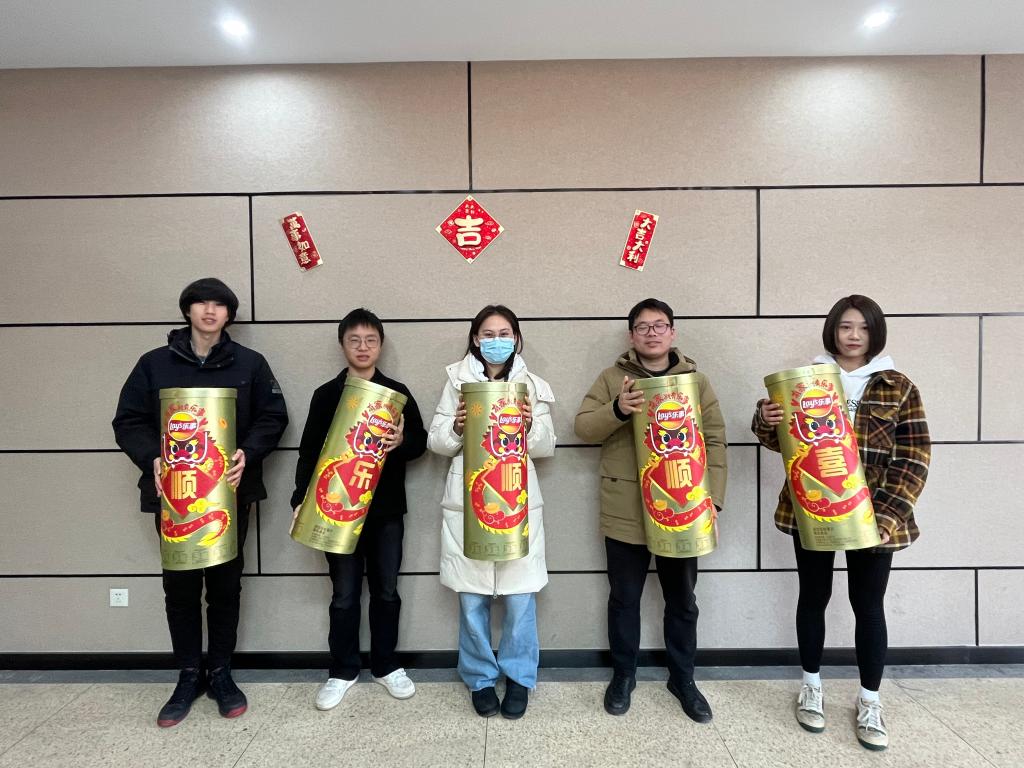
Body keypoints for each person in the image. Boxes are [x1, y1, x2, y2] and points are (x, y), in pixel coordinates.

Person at [752, 294, 931, 751]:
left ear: (876, 333)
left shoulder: (897, 386)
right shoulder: (806, 380)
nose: (853, 336)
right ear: (832, 330)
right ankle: (811, 686)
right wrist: (766, 420)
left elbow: (914, 456)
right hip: (811, 508)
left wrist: (888, 515)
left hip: (875, 515)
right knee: (813, 597)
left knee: (868, 606)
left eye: (863, 328)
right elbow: (779, 441)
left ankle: (869, 700)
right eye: (846, 326)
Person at [112, 277, 288, 727]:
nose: (210, 311)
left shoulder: (250, 363)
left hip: (228, 494)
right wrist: (151, 456)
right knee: (181, 587)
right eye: (201, 303)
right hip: (174, 498)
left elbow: (273, 417)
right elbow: (128, 420)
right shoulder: (154, 364)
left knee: (226, 585)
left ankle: (221, 672)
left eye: (219, 305)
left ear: (229, 315)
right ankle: (188, 674)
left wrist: (249, 452)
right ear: (187, 310)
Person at [574, 297, 727, 723]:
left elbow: (715, 439)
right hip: (626, 509)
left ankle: (683, 678)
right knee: (624, 599)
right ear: (631, 336)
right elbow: (583, 427)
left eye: (660, 325)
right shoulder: (613, 379)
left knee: (683, 600)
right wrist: (617, 410)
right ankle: (624, 675)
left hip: (684, 508)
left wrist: (712, 499)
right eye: (643, 327)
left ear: (673, 332)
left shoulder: (695, 382)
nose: (652, 333)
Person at [291, 308, 427, 710]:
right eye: (354, 340)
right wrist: (300, 499)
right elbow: (308, 451)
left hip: (385, 511)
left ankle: (387, 666)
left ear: (380, 346)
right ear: (343, 345)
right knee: (344, 594)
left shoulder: (396, 393)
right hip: (337, 512)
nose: (363, 347)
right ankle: (342, 670)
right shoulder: (326, 395)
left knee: (386, 590)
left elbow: (420, 443)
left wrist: (402, 441)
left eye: (370, 340)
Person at [427, 305, 556, 720]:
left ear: (516, 339)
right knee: (472, 599)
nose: (496, 341)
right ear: (475, 339)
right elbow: (436, 442)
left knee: (520, 599)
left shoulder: (531, 386)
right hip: (471, 499)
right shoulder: (456, 381)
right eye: (487, 334)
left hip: (516, 499)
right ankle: (480, 678)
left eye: (504, 334)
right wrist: (457, 428)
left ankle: (519, 676)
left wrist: (529, 426)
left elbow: (546, 446)